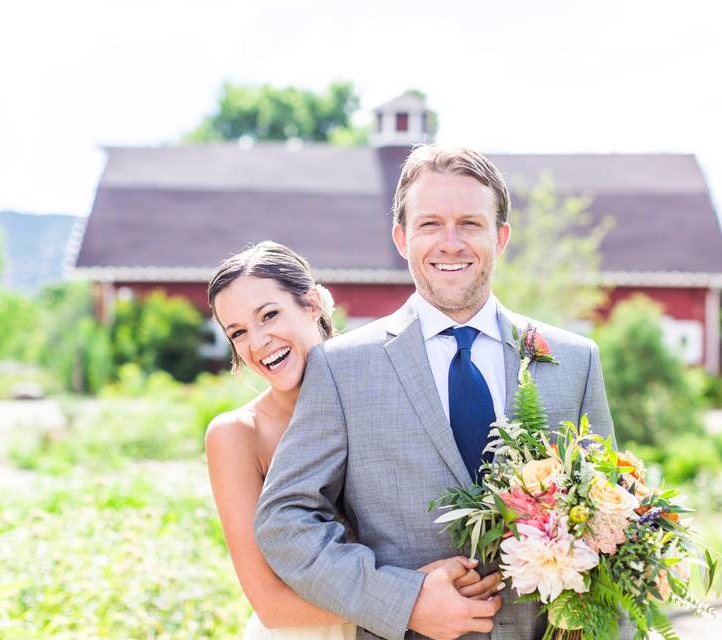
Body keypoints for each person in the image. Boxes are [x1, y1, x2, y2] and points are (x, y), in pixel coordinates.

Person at [255, 146, 632, 640]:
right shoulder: (342, 369)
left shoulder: (574, 361)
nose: (450, 243)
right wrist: (403, 601)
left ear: (501, 237)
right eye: (430, 224)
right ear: (401, 238)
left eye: (470, 224)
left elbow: (611, 531)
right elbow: (285, 520)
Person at [205, 242, 503, 640]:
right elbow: (270, 604)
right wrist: (409, 601)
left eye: (269, 315)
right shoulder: (237, 434)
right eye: (238, 332)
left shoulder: (385, 392)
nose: (257, 343)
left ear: (312, 304)